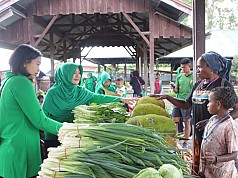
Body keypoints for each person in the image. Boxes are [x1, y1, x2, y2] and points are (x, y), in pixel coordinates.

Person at [150, 51, 238, 173]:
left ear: (211, 68)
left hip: (216, 140)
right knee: (199, 170)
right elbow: (186, 104)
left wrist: (215, 121)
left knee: (213, 169)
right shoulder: (198, 84)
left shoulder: (223, 85)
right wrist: (167, 97)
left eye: (200, 67)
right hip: (198, 136)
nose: (197, 70)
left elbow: (237, 110)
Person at [0, 44, 63, 178]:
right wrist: (69, 129)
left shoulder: (7, 81)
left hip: (10, 149)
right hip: (21, 152)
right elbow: (40, 120)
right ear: (25, 62)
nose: (39, 70)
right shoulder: (20, 82)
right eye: (37, 64)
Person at [42, 63, 136, 150]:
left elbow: (97, 97)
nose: (78, 75)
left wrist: (121, 99)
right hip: (53, 135)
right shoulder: (53, 93)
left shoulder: (80, 91)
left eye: (79, 73)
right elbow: (43, 115)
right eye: (74, 73)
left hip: (73, 134)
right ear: (65, 75)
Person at [199, 87, 238, 177]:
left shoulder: (230, 127)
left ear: (218, 104)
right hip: (209, 172)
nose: (207, 105)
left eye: (209, 101)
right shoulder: (212, 119)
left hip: (222, 173)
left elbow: (235, 154)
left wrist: (216, 159)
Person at [170, 58, 193, 148]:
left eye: (184, 67)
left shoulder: (193, 77)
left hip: (186, 102)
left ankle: (185, 142)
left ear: (189, 66)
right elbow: (176, 90)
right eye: (181, 68)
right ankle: (174, 141)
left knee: (186, 122)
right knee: (175, 121)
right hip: (177, 101)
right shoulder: (179, 76)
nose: (182, 69)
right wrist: (173, 87)